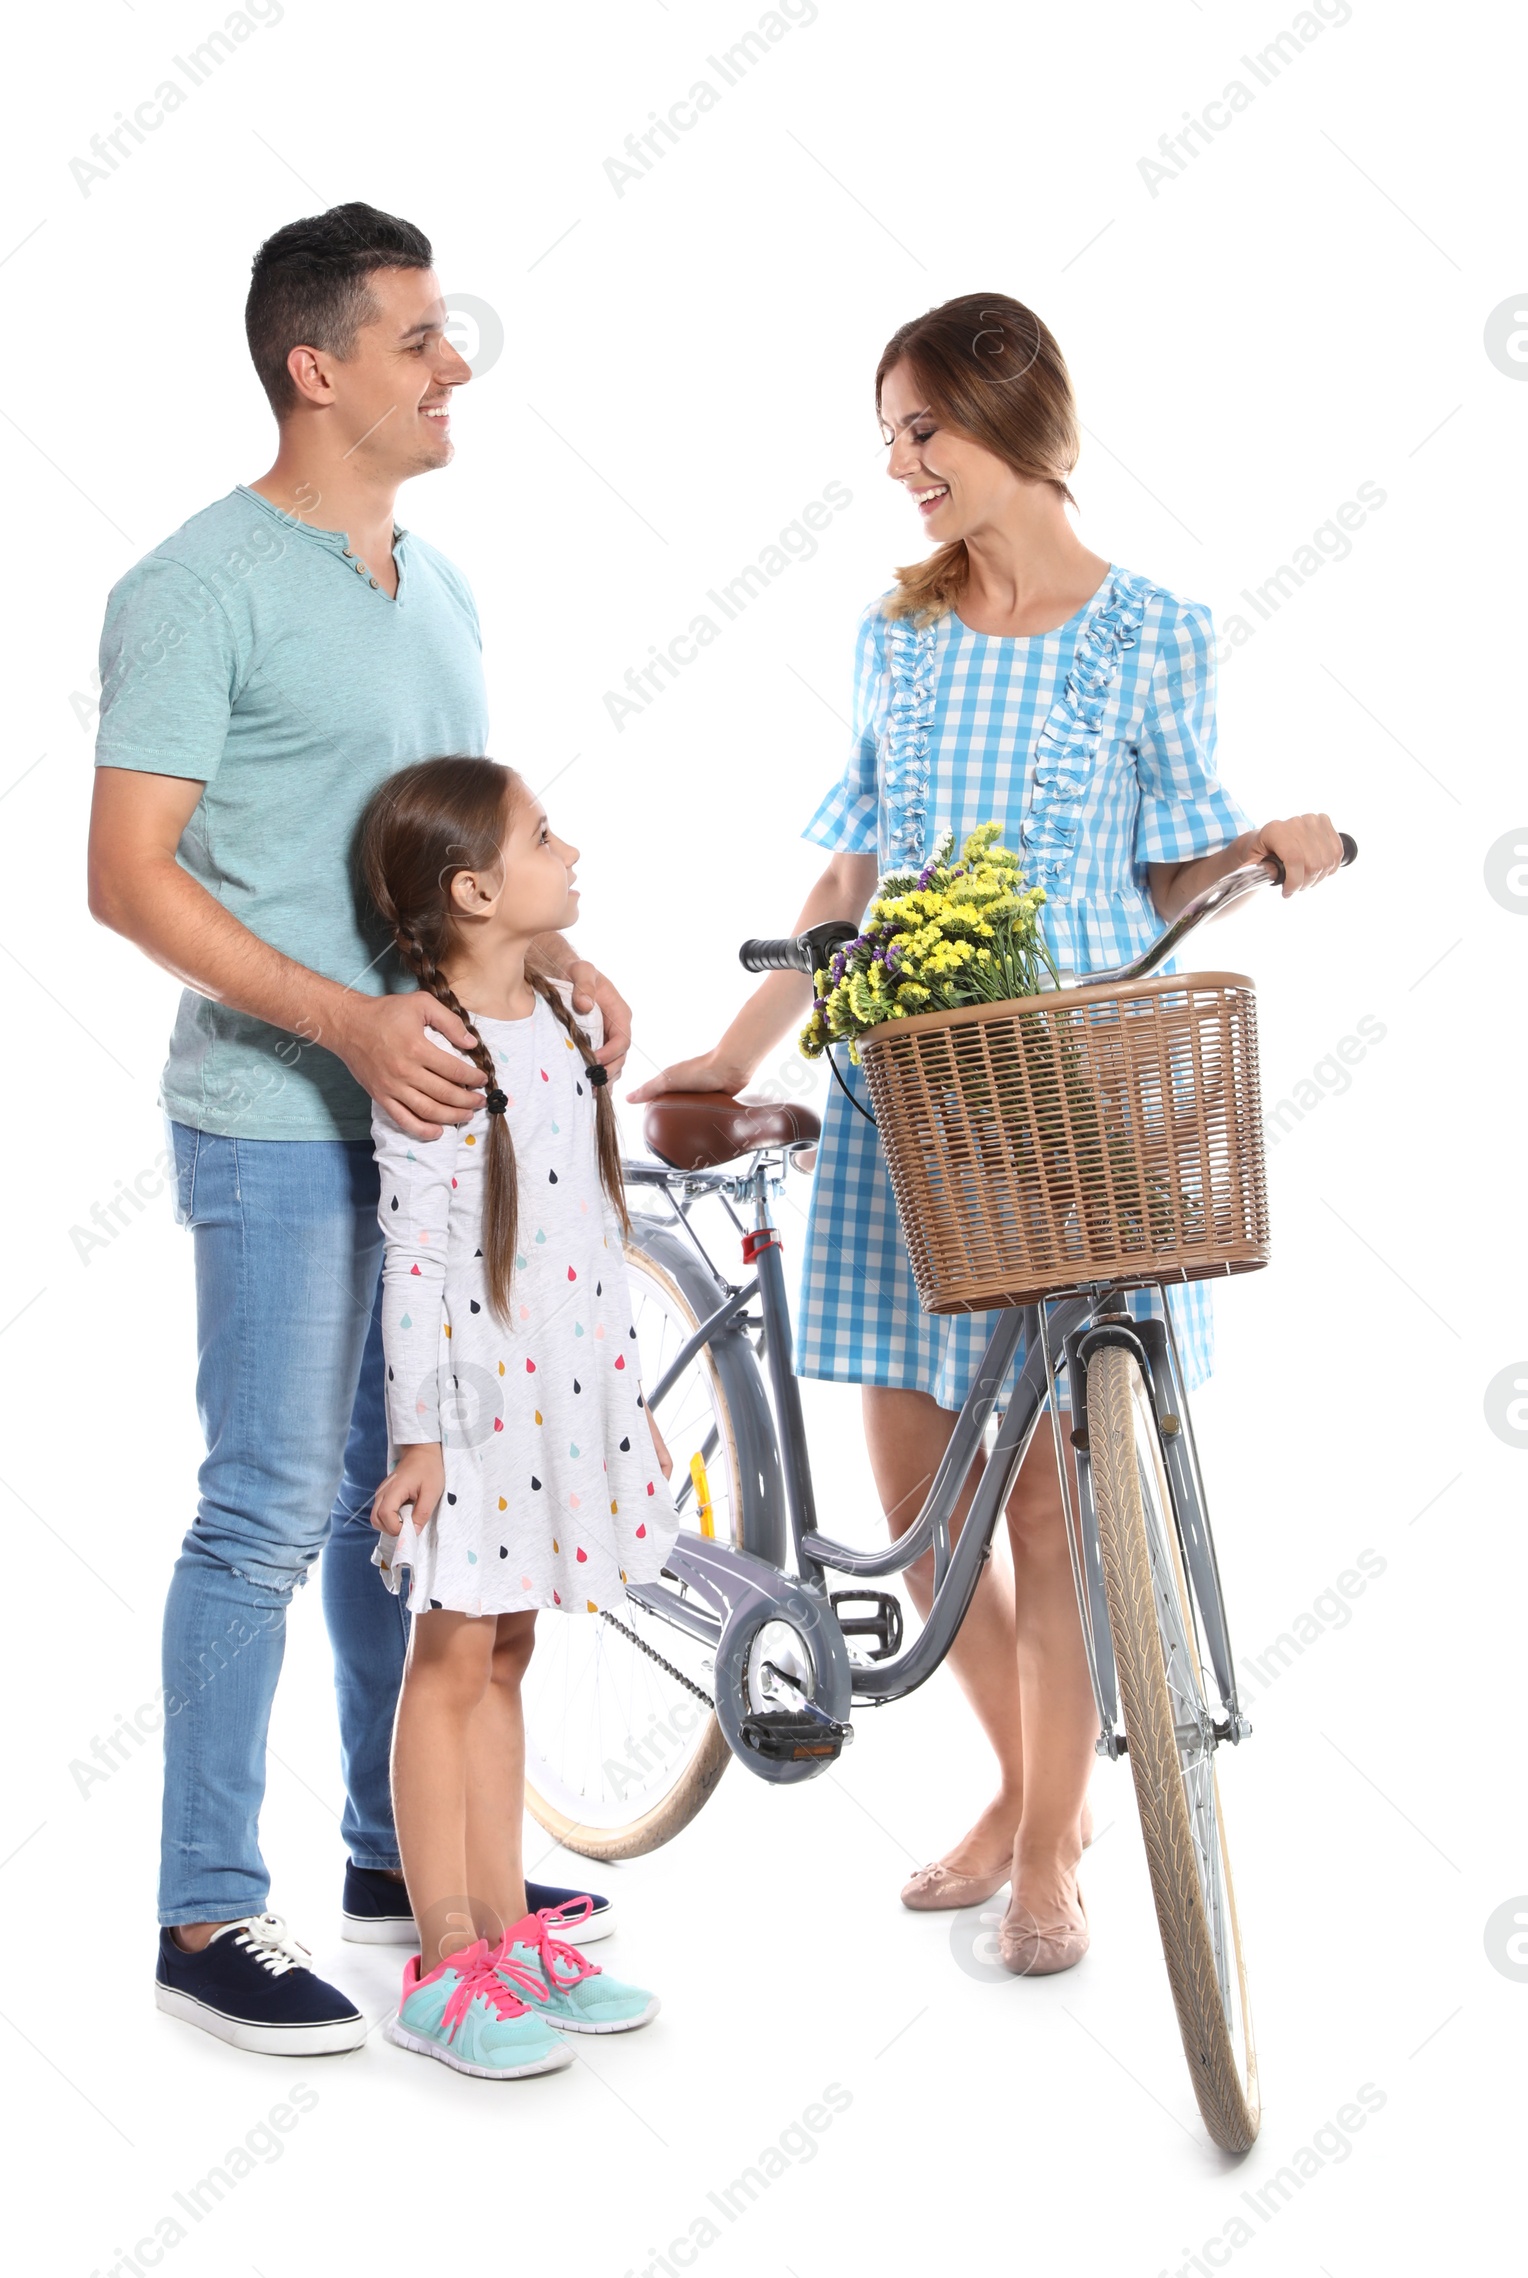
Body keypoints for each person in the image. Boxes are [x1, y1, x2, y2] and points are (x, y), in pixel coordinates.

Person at [631, 293, 1343, 1975]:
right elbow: (849, 877)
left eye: (919, 431)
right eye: (886, 437)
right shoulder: (902, 636)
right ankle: (1038, 1788)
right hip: (905, 1107)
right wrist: (729, 1042)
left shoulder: (1155, 632)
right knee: (921, 1515)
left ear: (1008, 416)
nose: (900, 466)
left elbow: (1169, 868)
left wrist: (1263, 849)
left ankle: (1045, 1856)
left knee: (1044, 1506)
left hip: (1079, 1099)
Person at [86, 203, 629, 2055]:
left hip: (454, 1139)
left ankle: (410, 1869)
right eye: (418, 338)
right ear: (317, 370)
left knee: (425, 1506)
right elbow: (122, 878)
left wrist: (565, 965)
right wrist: (341, 1023)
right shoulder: (195, 586)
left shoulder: (441, 582)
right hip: (276, 1121)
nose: (453, 363)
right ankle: (206, 1912)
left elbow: (445, 864)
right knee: (271, 1507)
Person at [359, 756, 673, 2078]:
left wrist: (627, 1398)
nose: (571, 847)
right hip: (475, 1410)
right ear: (478, 889)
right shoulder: (432, 1047)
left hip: (558, 1399)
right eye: (546, 836)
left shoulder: (550, 1018)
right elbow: (417, 1251)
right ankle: (440, 1957)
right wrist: (419, 1434)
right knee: (449, 1661)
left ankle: (501, 1922)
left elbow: (597, 1232)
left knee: (505, 1654)